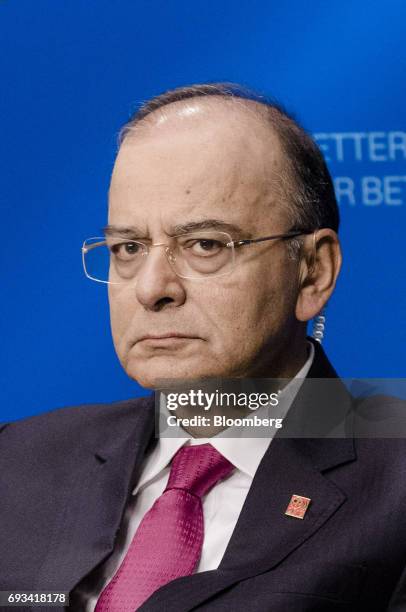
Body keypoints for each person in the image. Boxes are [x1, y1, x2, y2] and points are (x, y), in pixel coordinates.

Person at [1, 83, 406, 612]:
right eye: (128, 248)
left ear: (313, 272)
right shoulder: (17, 461)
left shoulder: (393, 483)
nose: (151, 288)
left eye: (205, 245)